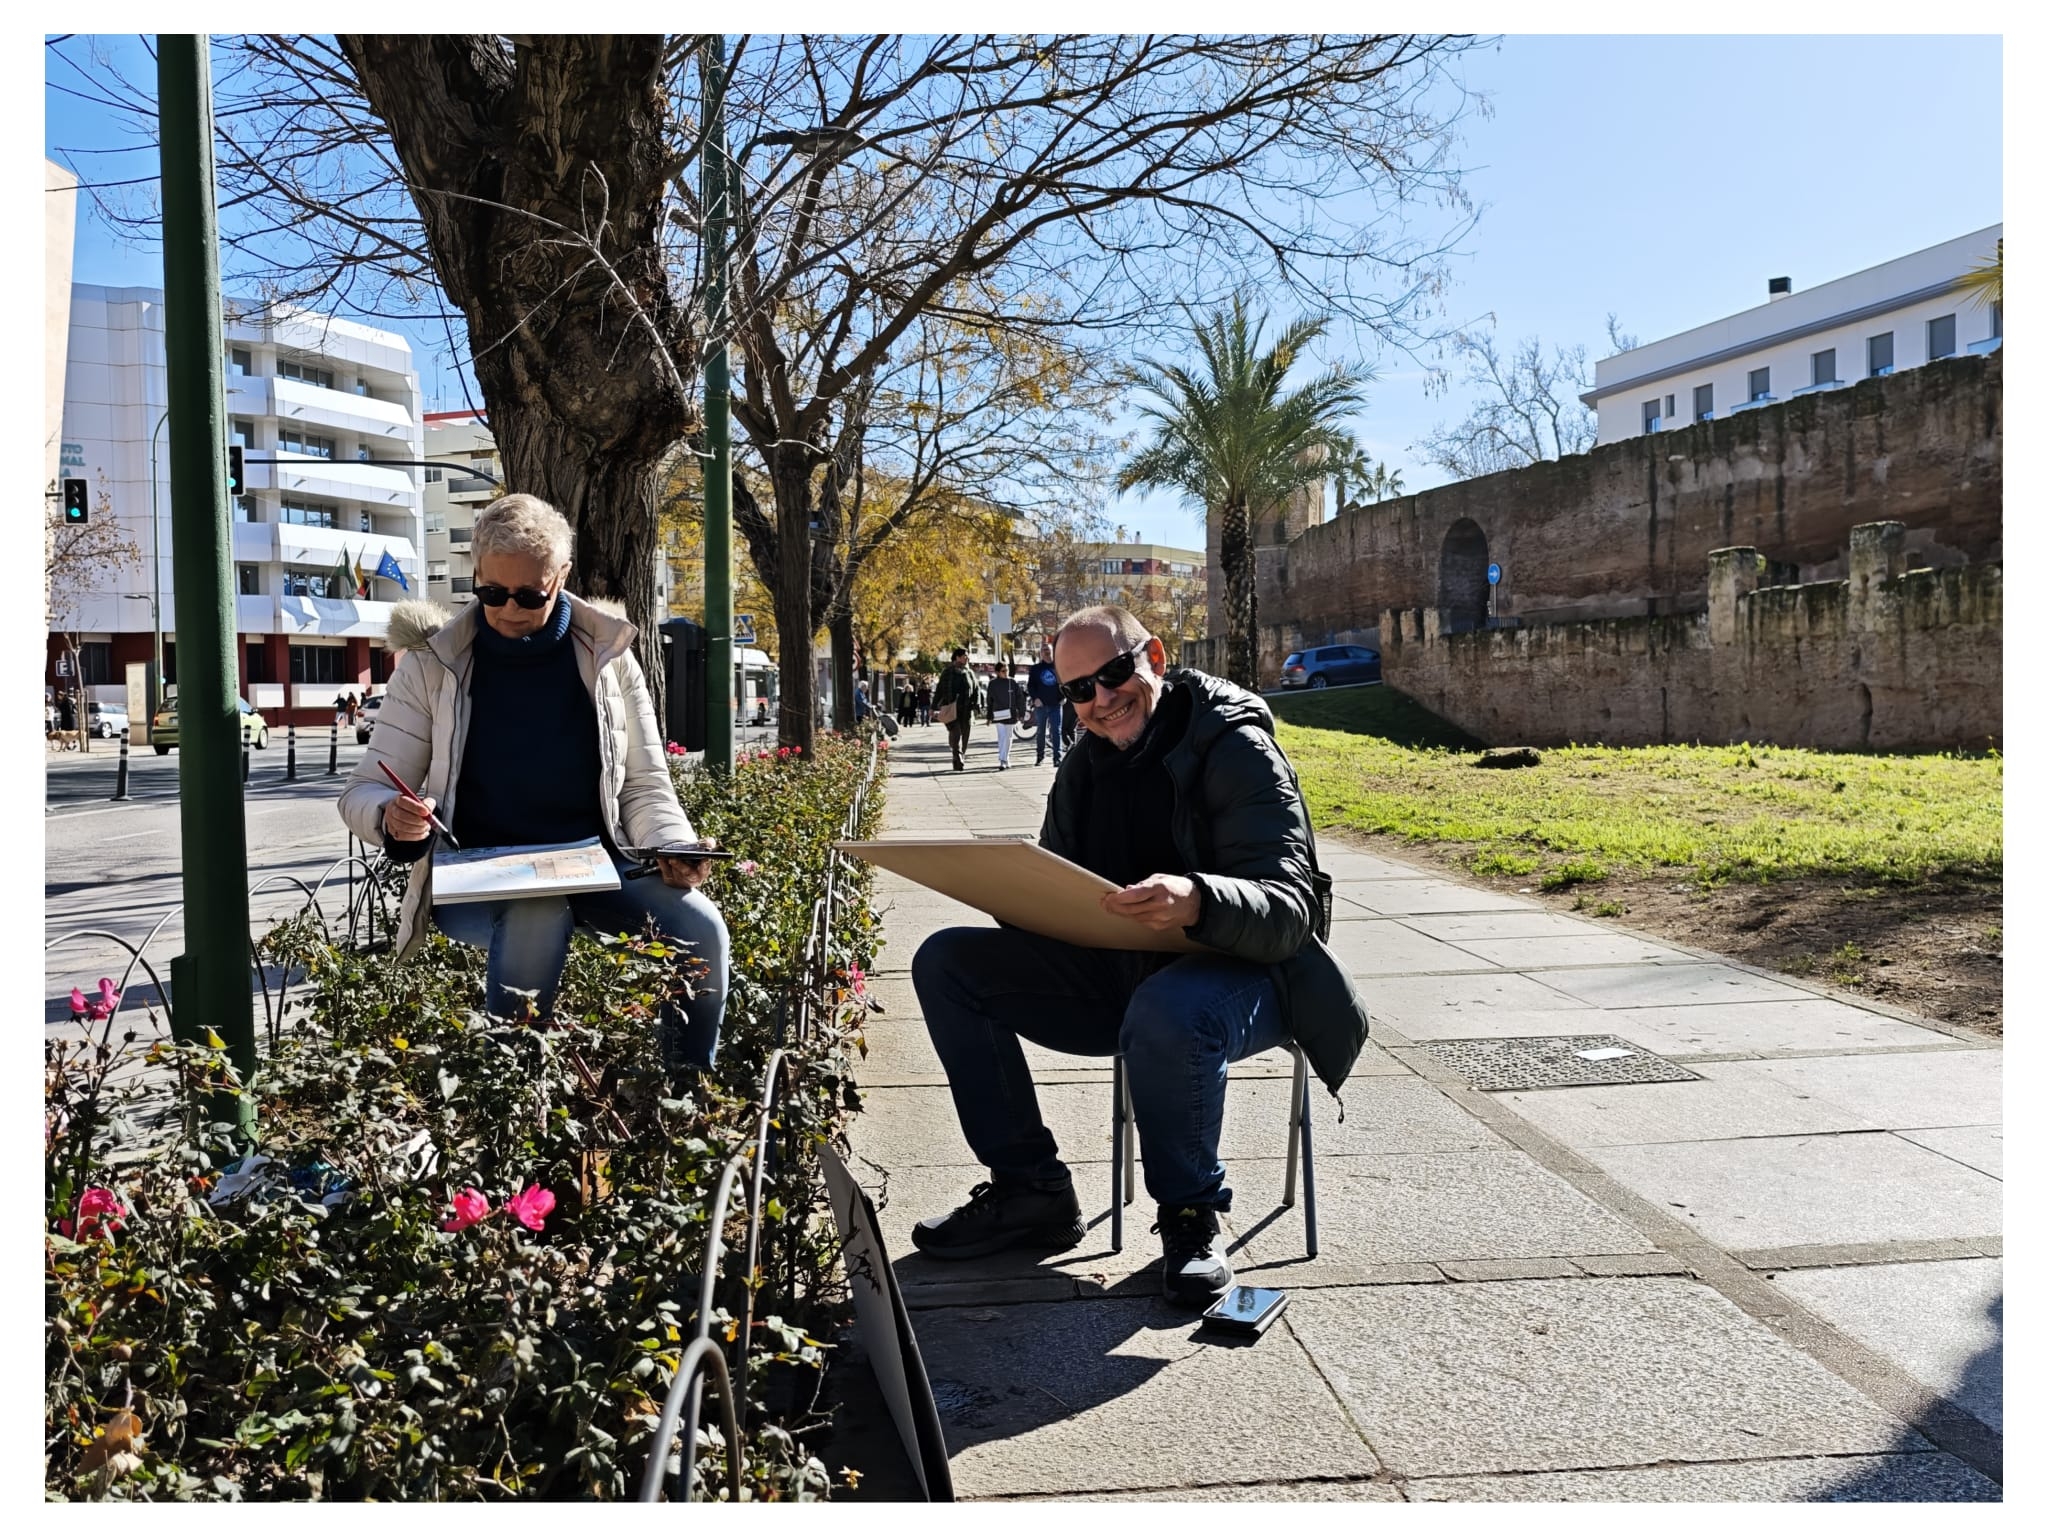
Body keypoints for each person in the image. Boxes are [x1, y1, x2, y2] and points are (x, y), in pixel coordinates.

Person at [906, 604, 1368, 1308]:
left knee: (1168, 1009)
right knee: (947, 962)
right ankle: (1031, 1190)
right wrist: (1013, 896)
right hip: (1117, 972)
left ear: (1153, 654)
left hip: (1250, 977)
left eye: (1114, 673)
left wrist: (1199, 900)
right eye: (1078, 691)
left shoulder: (1236, 747)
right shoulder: (1086, 764)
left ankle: (1190, 1215)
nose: (1100, 699)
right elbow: (1061, 884)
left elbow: (1291, 911)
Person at [338, 493, 730, 1075]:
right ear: (476, 576)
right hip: (477, 876)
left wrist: (670, 844)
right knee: (536, 911)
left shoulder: (609, 657)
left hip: (600, 870)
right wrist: (393, 815)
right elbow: (361, 792)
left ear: (563, 576)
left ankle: (688, 1093)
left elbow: (646, 784)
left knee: (702, 928)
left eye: (529, 595)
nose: (508, 610)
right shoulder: (431, 664)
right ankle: (511, 1102)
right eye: (492, 593)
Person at [932, 649, 981, 771]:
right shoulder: (948, 672)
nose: (967, 658)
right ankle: (957, 756)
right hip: (952, 709)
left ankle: (960, 755)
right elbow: (939, 690)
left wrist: (977, 704)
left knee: (965, 735)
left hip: (967, 710)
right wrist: (933, 707)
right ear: (957, 658)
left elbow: (976, 689)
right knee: (956, 733)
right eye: (965, 656)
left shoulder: (969, 672)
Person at [1026, 639, 1065, 768]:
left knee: (1056, 731)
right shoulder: (1036, 669)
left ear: (1052, 651)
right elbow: (1031, 686)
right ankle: (1040, 757)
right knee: (1040, 732)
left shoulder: (1059, 666)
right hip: (1041, 706)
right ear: (1040, 654)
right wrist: (1035, 698)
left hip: (1056, 704)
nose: (1046, 652)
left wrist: (1064, 696)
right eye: (1043, 650)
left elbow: (1065, 683)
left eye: (1048, 649)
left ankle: (1057, 758)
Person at [985, 663, 1021, 771]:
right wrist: (989, 716)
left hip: (1011, 713)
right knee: (1002, 736)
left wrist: (1022, 712)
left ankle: (1006, 757)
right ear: (997, 672)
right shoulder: (993, 684)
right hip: (998, 713)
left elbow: (1019, 697)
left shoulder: (1012, 682)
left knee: (1009, 737)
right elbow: (989, 701)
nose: (1006, 673)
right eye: (1003, 671)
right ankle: (1002, 759)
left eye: (1007, 670)